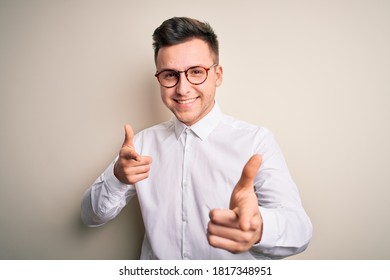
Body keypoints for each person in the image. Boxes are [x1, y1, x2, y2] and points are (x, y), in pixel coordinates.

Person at [81, 17, 312, 260]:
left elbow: (300, 230)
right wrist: (117, 177)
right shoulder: (141, 145)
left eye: (196, 72)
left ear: (218, 75)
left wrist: (259, 227)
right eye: (170, 75)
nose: (182, 88)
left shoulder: (256, 142)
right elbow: (90, 217)